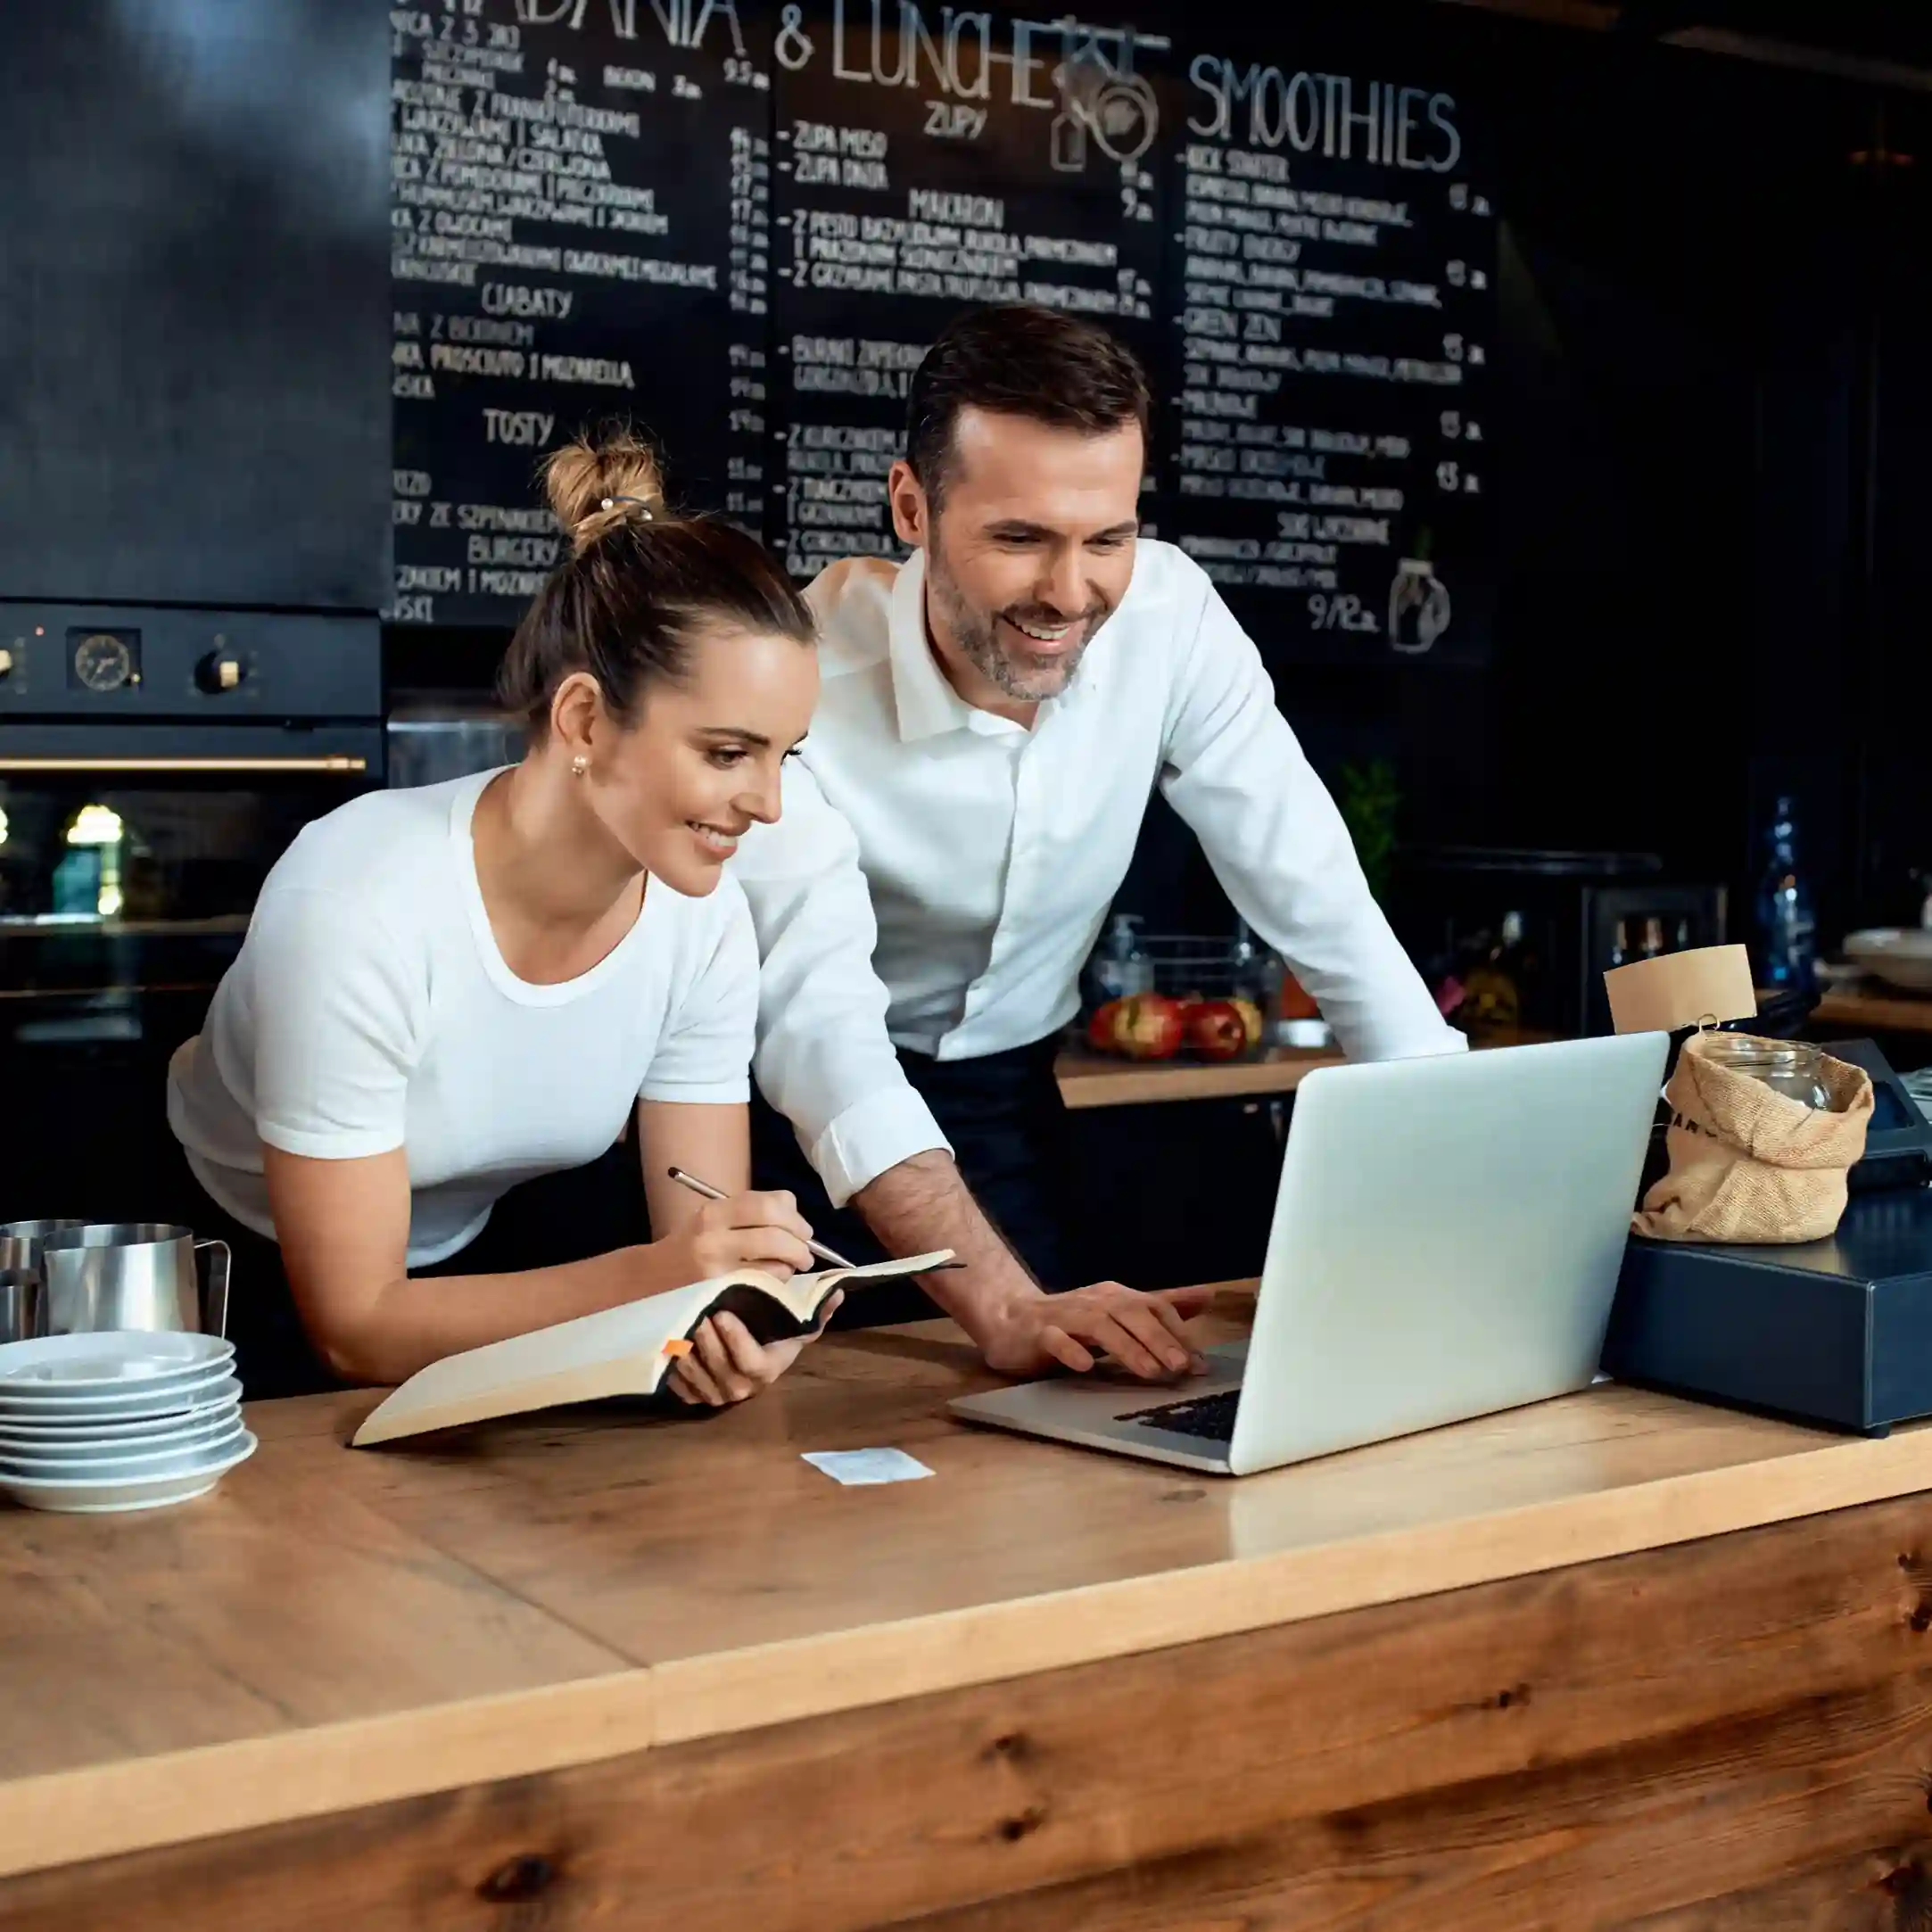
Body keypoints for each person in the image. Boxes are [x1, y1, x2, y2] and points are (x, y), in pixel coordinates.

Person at [736, 303, 1466, 1383]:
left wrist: (1463, 1141)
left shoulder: (1169, 618)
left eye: (1108, 539)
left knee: (1047, 1434)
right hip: (784, 1131)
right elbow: (829, 1049)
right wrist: (996, 1305)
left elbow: (1313, 886)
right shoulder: (795, 689)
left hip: (1011, 1102)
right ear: (911, 507)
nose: (1070, 594)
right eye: (1020, 538)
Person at [167, 434, 833, 1404]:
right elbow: (352, 1331)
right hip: (230, 1272)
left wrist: (725, 1326)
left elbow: (699, 1243)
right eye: (730, 753)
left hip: (493, 1251)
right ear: (584, 721)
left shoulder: (707, 925)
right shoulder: (356, 902)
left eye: (788, 756)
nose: (769, 804)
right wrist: (656, 1288)